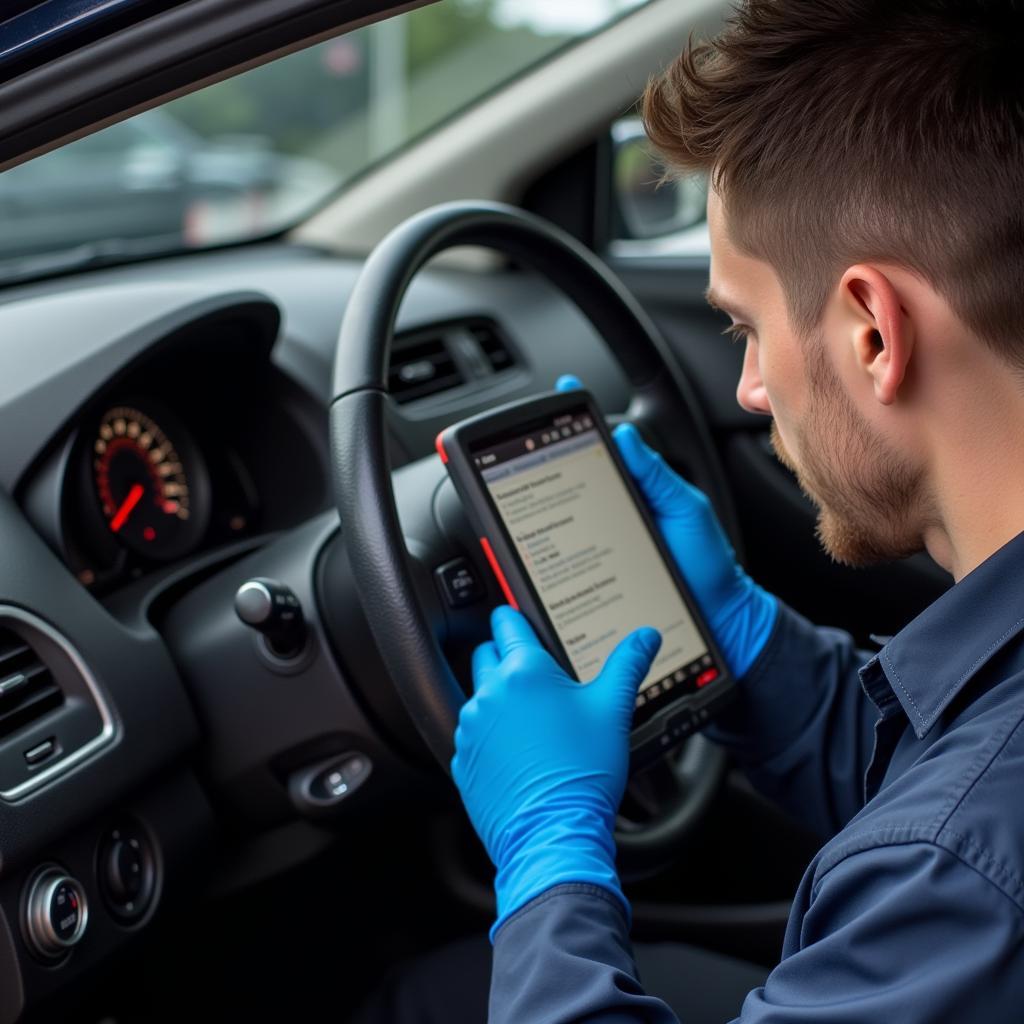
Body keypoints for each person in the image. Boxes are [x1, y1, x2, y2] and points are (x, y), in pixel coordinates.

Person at [355, 0, 1024, 1020]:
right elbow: (943, 770)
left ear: (873, 333)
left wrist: (548, 856)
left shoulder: (954, 875)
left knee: (421, 994)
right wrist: (753, 643)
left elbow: (956, 827)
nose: (751, 387)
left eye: (746, 326)